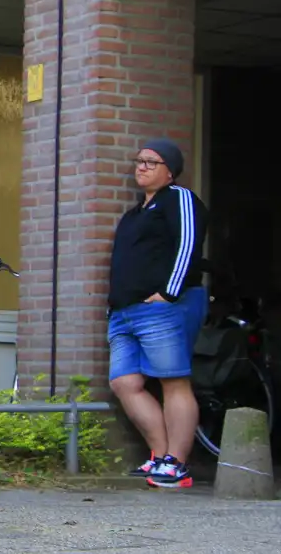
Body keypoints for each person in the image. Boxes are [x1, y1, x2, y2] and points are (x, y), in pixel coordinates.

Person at [107, 138, 208, 489]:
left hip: (163, 308)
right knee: (124, 382)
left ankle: (177, 465)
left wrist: (169, 293)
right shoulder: (134, 214)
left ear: (170, 172)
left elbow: (189, 244)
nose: (142, 166)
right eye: (139, 160)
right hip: (124, 313)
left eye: (152, 162)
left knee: (173, 381)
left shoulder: (179, 198)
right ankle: (160, 457)